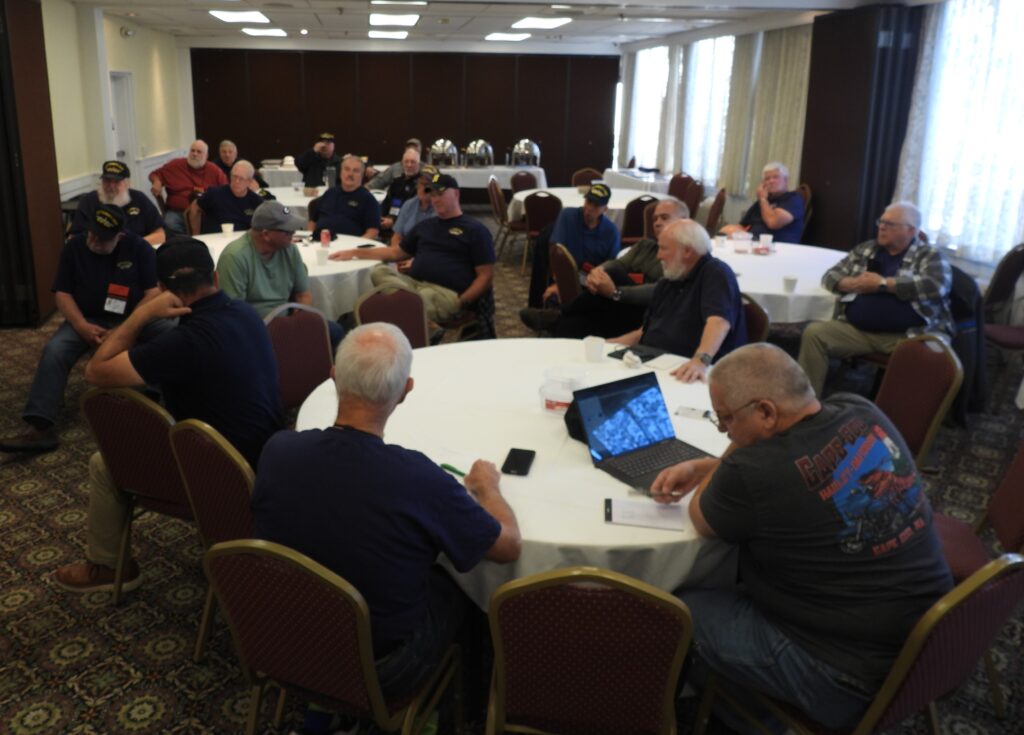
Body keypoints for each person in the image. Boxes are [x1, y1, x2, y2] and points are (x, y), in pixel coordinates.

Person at [651, 343, 953, 730]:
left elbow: (701, 517)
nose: (725, 431)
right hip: (930, 645)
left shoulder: (753, 470)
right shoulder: (859, 407)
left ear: (765, 412)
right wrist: (705, 466)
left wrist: (732, 455)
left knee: (676, 608)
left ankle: (745, 716)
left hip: (846, 679)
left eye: (726, 419)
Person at [252, 322, 520, 703]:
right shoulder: (419, 479)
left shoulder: (278, 450)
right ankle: (459, 704)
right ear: (406, 391)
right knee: (460, 585)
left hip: (282, 639)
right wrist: (488, 488)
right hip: (379, 669)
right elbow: (508, 547)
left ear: (334, 377)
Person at [51, 237, 284, 592]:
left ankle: (107, 566)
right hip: (267, 454)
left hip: (223, 470)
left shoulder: (183, 343)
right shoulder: (246, 313)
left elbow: (96, 372)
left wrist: (142, 314)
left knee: (102, 463)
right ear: (215, 277)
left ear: (162, 289)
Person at [0, 206, 169, 454]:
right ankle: (40, 425)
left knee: (167, 333)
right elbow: (62, 293)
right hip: (87, 318)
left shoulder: (139, 248)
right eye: (91, 234)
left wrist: (125, 328)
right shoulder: (74, 247)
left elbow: (152, 294)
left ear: (120, 236)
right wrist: (80, 325)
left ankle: (155, 404)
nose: (93, 241)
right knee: (55, 350)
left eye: (102, 239)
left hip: (131, 318)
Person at [797, 201, 952, 396]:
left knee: (933, 357)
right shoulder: (867, 249)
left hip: (908, 336)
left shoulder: (929, 255)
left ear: (911, 230)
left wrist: (884, 284)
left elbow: (937, 286)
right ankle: (805, 402)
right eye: (881, 222)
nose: (882, 227)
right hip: (858, 331)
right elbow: (829, 276)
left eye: (890, 224)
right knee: (815, 333)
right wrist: (850, 283)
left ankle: (901, 409)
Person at [330, 173, 494, 323]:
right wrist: (354, 253)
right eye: (433, 194)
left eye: (441, 194)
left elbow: (486, 276)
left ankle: (405, 311)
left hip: (445, 294)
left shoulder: (475, 230)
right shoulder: (425, 226)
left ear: (456, 194)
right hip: (414, 285)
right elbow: (395, 252)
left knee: (402, 302)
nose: (435, 199)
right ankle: (414, 314)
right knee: (378, 271)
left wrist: (462, 302)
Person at [520, 198, 688, 337]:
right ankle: (559, 321)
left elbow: (659, 290)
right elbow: (617, 263)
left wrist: (615, 292)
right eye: (655, 219)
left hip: (651, 314)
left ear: (684, 221)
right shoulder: (646, 246)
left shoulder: (685, 254)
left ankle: (560, 314)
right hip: (624, 305)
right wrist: (598, 272)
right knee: (578, 323)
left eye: (664, 218)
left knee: (611, 279)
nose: (657, 223)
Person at [610, 219, 746, 383]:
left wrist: (700, 361)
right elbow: (644, 332)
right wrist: (607, 345)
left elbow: (719, 322)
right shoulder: (669, 280)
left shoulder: (715, 272)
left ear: (687, 251)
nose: (658, 256)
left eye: (663, 248)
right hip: (652, 361)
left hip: (692, 371)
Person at [217, 200, 345, 348]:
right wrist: (280, 329)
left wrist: (298, 322)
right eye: (287, 231)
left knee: (336, 331)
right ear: (266, 234)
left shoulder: (290, 250)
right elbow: (236, 315)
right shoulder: (235, 257)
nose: (293, 234)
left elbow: (304, 295)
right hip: (255, 327)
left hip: (288, 318)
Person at [528, 183, 621, 308]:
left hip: (593, 284)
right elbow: (556, 252)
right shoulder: (567, 216)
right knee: (554, 298)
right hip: (567, 277)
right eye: (588, 202)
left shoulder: (611, 231)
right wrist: (560, 284)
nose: (589, 208)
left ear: (605, 209)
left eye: (596, 205)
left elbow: (611, 267)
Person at [68, 160, 165, 245]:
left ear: (127, 184)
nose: (111, 186)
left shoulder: (139, 199)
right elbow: (73, 239)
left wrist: (134, 246)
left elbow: (160, 235)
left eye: (116, 182)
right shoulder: (89, 201)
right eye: (107, 181)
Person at [148, 140, 227, 236]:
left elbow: (225, 190)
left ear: (206, 156)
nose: (195, 154)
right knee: (170, 224)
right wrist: (157, 182)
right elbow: (155, 174)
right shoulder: (175, 165)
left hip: (205, 214)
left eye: (199, 152)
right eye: (192, 150)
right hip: (177, 212)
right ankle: (182, 243)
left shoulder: (215, 171)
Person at [720, 162, 804, 244]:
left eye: (776, 177)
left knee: (729, 231)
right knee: (726, 230)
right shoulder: (762, 201)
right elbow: (742, 225)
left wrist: (763, 199)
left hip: (777, 245)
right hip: (753, 242)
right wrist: (737, 231)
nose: (771, 181)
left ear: (785, 180)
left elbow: (773, 222)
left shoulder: (793, 199)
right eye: (767, 179)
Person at [311, 155, 381, 242]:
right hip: (320, 243)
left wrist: (356, 246)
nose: (350, 174)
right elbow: (312, 221)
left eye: (356, 171)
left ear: (362, 175)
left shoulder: (368, 200)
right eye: (347, 169)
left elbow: (373, 232)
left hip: (350, 246)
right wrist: (311, 238)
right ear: (340, 172)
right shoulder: (329, 193)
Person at [194, 160, 272, 234]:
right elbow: (195, 208)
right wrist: (196, 234)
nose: (236, 181)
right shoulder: (214, 193)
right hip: (212, 238)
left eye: (241, 179)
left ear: (249, 182)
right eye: (234, 177)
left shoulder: (256, 201)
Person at [389, 164, 437, 251]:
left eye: (427, 184)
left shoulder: (440, 207)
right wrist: (397, 255)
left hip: (429, 254)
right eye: (420, 183)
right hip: (404, 253)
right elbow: (396, 237)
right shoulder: (409, 205)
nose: (423, 188)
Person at [380, 147, 423, 231]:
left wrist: (394, 221)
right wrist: (380, 217)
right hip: (388, 220)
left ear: (418, 164)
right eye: (406, 161)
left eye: (413, 162)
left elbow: (414, 210)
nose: (409, 165)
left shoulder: (422, 185)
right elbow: (386, 202)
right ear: (402, 164)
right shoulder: (396, 182)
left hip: (408, 225)